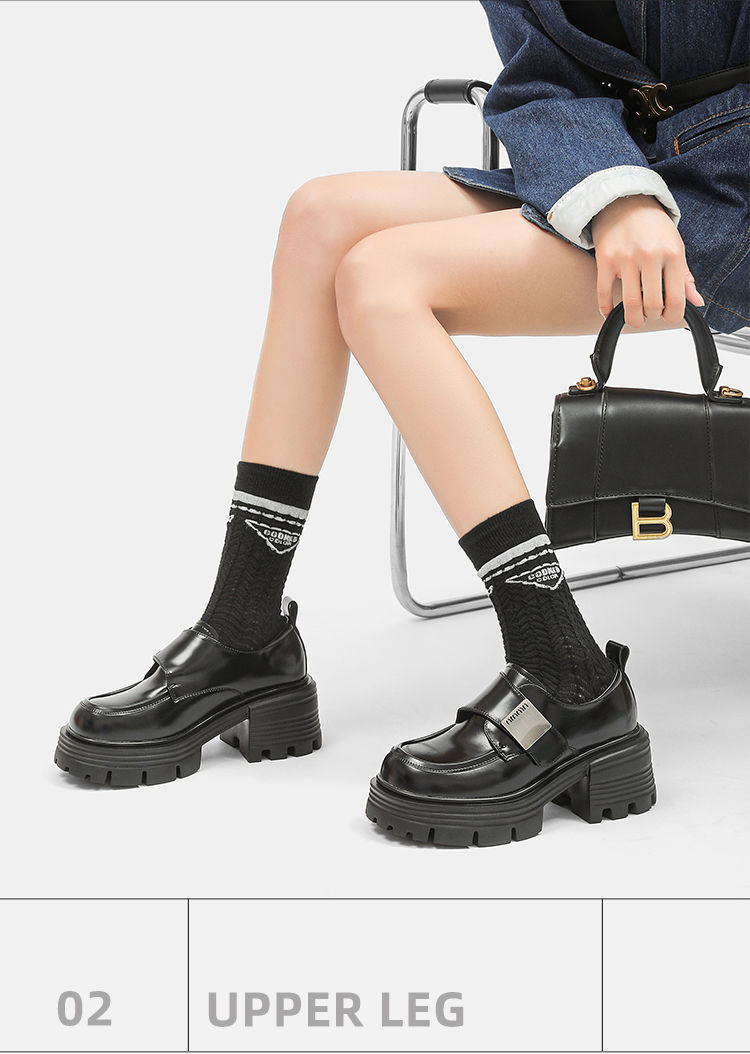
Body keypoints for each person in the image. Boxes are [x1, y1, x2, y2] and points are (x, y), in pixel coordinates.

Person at [54, 0, 749, 847]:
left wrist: (632, 200)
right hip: (633, 175)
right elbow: (542, 84)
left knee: (382, 280)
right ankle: (245, 630)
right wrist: (618, 195)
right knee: (318, 218)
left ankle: (566, 675)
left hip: (732, 198)